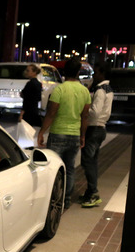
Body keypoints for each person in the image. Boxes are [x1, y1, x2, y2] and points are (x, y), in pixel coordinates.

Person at [37, 58, 91, 210]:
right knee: (70, 168)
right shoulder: (84, 91)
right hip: (74, 135)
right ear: (78, 72)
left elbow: (51, 113)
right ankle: (66, 200)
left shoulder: (59, 90)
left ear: (64, 72)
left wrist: (42, 132)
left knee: (53, 168)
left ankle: (53, 199)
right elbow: (85, 116)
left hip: (58, 134)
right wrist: (82, 136)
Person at [80, 61, 114, 208]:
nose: (94, 75)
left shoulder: (100, 90)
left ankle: (93, 192)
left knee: (88, 162)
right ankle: (90, 191)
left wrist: (83, 111)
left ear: (102, 73)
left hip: (94, 129)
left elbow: (94, 113)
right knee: (92, 161)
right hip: (101, 129)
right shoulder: (109, 89)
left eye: (96, 72)